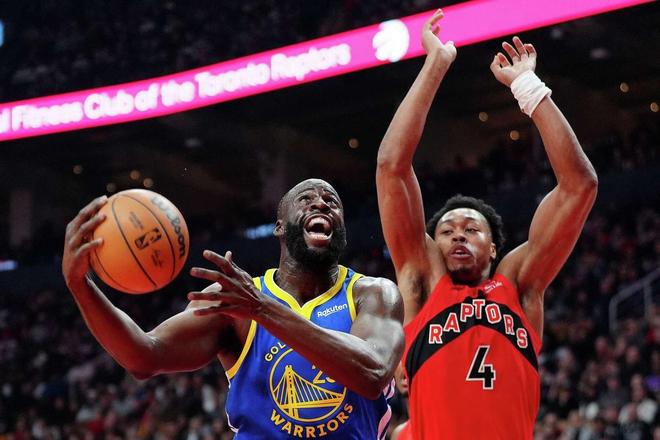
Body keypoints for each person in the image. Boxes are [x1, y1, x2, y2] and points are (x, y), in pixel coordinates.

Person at [376, 9, 598, 440]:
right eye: (447, 231)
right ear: (433, 246)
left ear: (495, 248)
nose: (458, 233)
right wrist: (435, 65)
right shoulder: (423, 283)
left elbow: (580, 186)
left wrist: (528, 87)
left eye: (472, 229)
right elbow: (391, 167)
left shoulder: (520, 285)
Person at [62, 178, 404, 439]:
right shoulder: (236, 300)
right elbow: (143, 355)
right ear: (280, 227)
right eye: (306, 199)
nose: (321, 203)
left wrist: (262, 309)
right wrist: (81, 286)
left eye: (332, 202)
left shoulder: (372, 293)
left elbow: (372, 374)